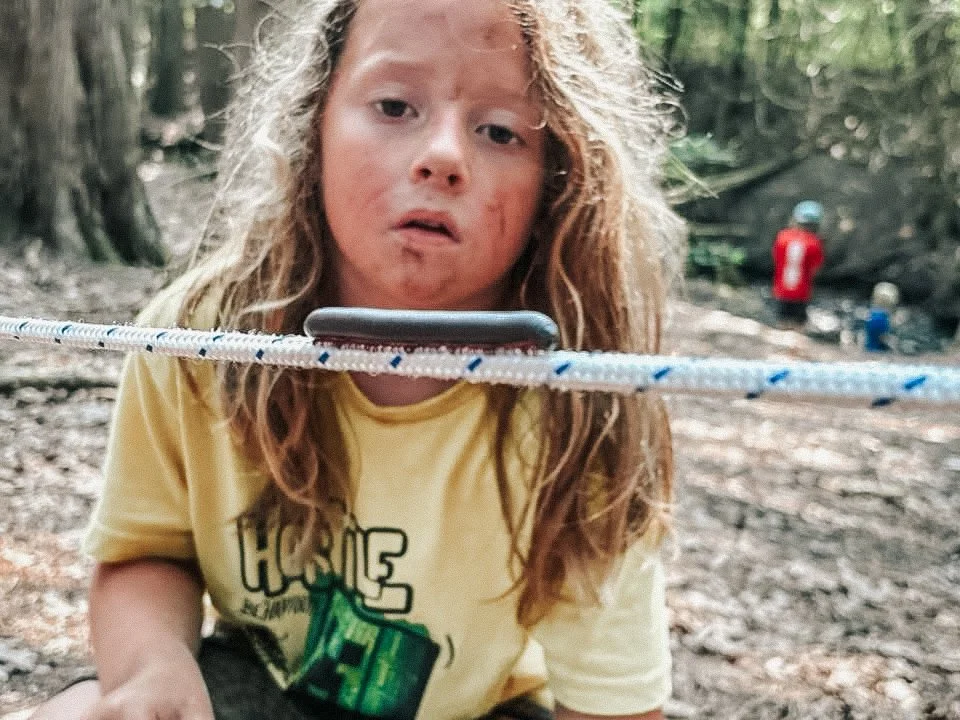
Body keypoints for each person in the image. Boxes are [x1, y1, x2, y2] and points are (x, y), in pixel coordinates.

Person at [32, 1, 685, 719]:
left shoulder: (583, 401)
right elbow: (146, 552)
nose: (443, 156)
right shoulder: (201, 335)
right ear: (314, 122)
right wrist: (152, 671)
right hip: (260, 688)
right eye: (395, 106)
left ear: (559, 177)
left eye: (500, 131)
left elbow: (613, 707)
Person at [772, 200, 825, 326]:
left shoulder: (782, 237)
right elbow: (816, 268)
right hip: (801, 293)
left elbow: (776, 259)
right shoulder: (814, 243)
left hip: (781, 290)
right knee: (798, 323)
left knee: (782, 321)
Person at [864, 281, 900, 352]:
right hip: (878, 351)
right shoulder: (880, 318)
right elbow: (883, 338)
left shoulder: (872, 314)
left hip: (870, 349)